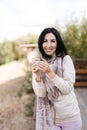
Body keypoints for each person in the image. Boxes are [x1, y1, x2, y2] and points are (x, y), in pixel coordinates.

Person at [32, 27, 82, 130]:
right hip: (49, 120)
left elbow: (67, 88)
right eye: (45, 41)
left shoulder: (66, 60)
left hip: (69, 118)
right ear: (41, 44)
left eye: (53, 41)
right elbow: (41, 94)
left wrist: (50, 72)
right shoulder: (38, 63)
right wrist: (37, 76)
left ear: (58, 43)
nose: (49, 45)